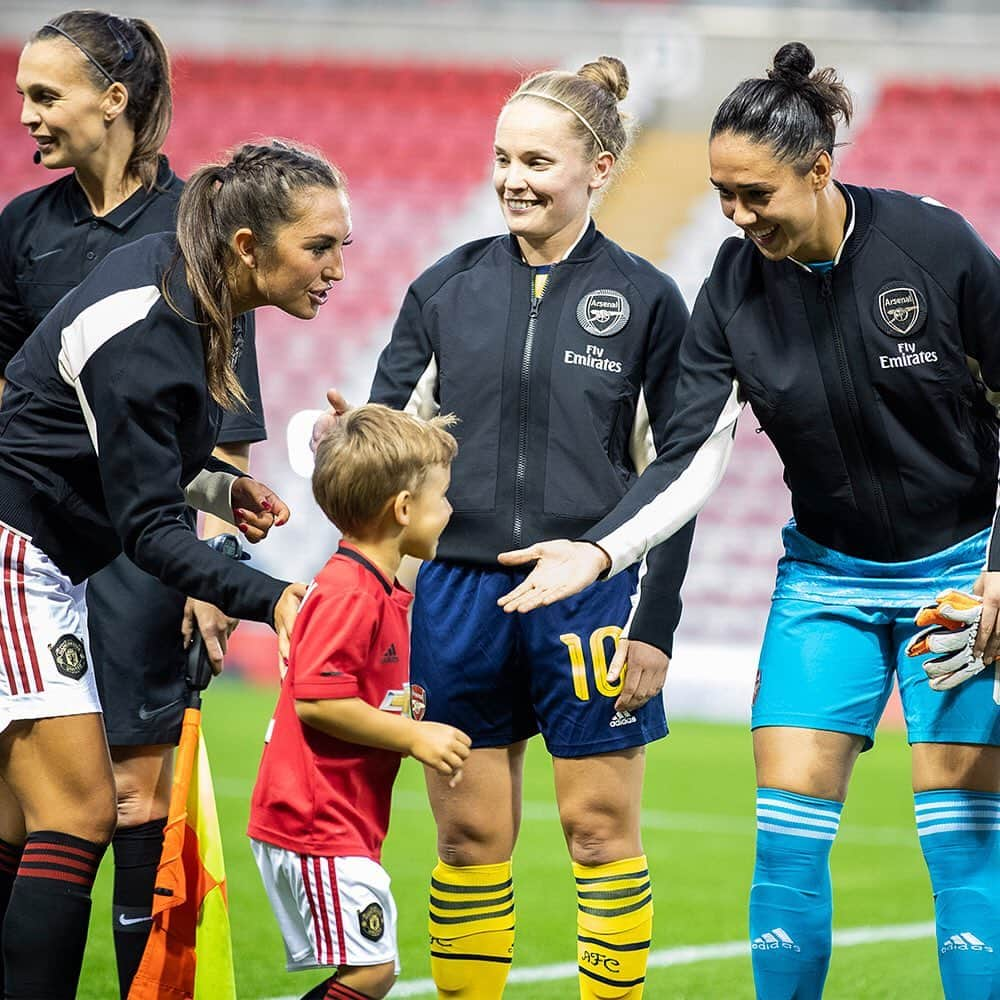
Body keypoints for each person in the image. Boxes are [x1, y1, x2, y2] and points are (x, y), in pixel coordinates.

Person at [497, 41, 1000, 1000]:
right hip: (827, 585)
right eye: (721, 193)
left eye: (756, 193)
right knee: (787, 849)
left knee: (964, 848)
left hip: (959, 578)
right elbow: (688, 457)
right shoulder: (731, 285)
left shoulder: (935, 250)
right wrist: (605, 552)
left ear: (820, 169)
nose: (736, 217)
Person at [358, 56, 694, 1000]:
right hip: (457, 597)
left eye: (539, 160)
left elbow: (676, 474)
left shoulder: (648, 299)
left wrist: (655, 623)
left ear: (600, 167)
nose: (514, 178)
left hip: (590, 595)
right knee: (468, 839)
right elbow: (380, 444)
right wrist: (343, 443)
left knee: (598, 833)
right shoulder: (443, 287)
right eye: (503, 157)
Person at [0, 138, 348, 999]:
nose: (337, 267)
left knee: (17, 823)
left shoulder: (183, 285)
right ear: (247, 247)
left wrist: (221, 489)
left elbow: (113, 445)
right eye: (320, 246)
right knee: (80, 812)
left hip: (41, 550)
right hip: (16, 551)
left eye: (342, 246)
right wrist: (278, 601)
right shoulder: (154, 326)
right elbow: (151, 529)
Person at [249, 404, 471, 1000]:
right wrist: (413, 736)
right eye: (442, 496)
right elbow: (317, 702)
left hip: (338, 817)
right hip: (314, 817)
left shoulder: (377, 587)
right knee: (372, 972)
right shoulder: (351, 592)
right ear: (403, 509)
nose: (451, 509)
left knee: (375, 969)